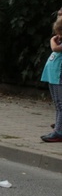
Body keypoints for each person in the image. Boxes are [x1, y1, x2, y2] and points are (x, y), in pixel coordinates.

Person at [41, 13, 62, 142]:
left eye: (59, 32)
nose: (58, 35)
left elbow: (55, 48)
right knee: (57, 104)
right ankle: (58, 127)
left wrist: (52, 41)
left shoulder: (56, 43)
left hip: (59, 76)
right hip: (53, 76)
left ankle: (59, 131)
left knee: (61, 104)